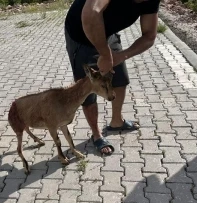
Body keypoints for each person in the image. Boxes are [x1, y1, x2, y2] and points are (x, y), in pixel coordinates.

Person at [65, 0, 161, 154]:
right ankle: (96, 135)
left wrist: (121, 56)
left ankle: (117, 121)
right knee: (87, 87)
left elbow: (149, 36)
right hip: (80, 33)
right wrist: (105, 55)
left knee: (119, 77)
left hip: (107, 32)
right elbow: (91, 14)